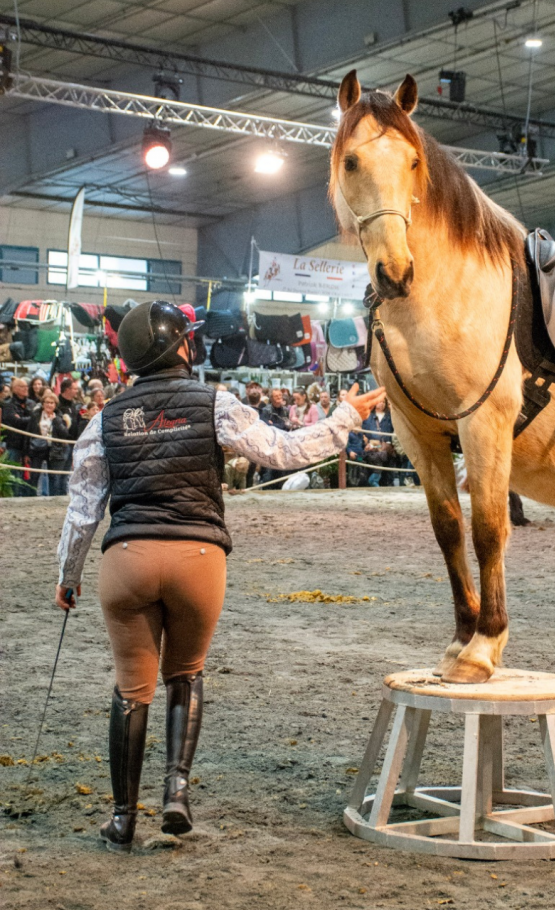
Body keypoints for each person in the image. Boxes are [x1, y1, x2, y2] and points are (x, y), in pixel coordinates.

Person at [54, 300, 385, 853]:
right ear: (178, 347)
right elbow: (283, 450)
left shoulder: (103, 419)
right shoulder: (215, 403)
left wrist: (68, 576)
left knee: (131, 688)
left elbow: (83, 509)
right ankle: (177, 792)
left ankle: (121, 820)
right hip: (198, 558)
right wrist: (345, 417)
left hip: (128, 559)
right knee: (184, 674)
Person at [25, 391, 70, 496]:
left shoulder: (59, 416)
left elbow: (64, 434)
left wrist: (55, 421)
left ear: (55, 404)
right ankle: (31, 497)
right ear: (43, 403)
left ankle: (53, 499)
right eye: (47, 402)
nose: (49, 405)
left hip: (54, 450)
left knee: (54, 477)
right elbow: (28, 433)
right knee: (34, 475)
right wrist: (26, 453)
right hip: (37, 449)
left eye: (51, 403)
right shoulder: (35, 415)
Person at [1, 378, 32, 496]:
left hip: (28, 444)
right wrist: (31, 419)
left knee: (28, 476)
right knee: (14, 475)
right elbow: (15, 421)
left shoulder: (31, 403)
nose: (26, 389)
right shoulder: (8, 404)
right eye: (22, 386)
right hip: (13, 444)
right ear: (15, 389)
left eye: (26, 386)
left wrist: (25, 419)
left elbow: (29, 420)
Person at [361, 397, 395, 486]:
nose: (381, 404)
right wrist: (366, 442)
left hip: (386, 448)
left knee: (386, 472)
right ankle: (374, 482)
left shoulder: (390, 416)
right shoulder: (368, 416)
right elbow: (363, 431)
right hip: (372, 448)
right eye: (379, 401)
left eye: (383, 402)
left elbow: (393, 431)